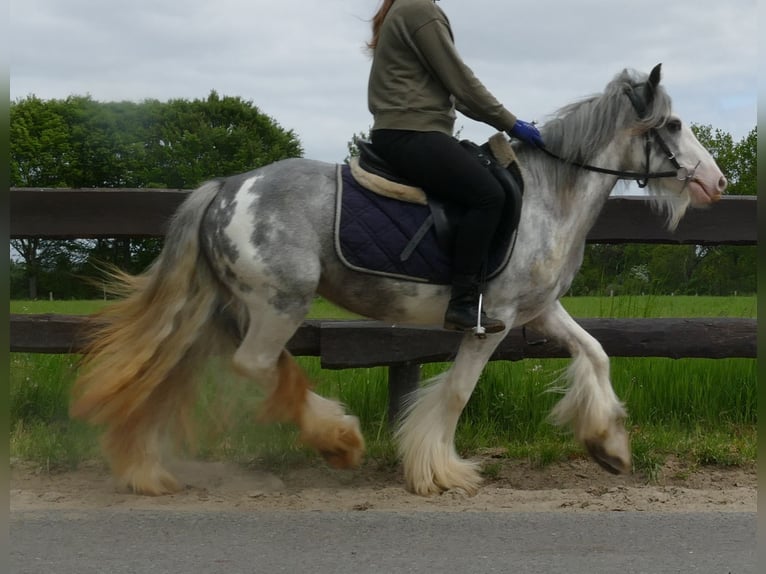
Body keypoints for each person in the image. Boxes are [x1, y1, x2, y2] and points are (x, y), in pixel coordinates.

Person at [367, 0, 544, 333]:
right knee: (488, 195)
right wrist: (510, 123)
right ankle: (463, 302)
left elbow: (456, 94)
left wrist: (501, 120)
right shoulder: (420, 9)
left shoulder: (408, 8)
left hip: (407, 129)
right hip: (412, 131)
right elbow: (461, 80)